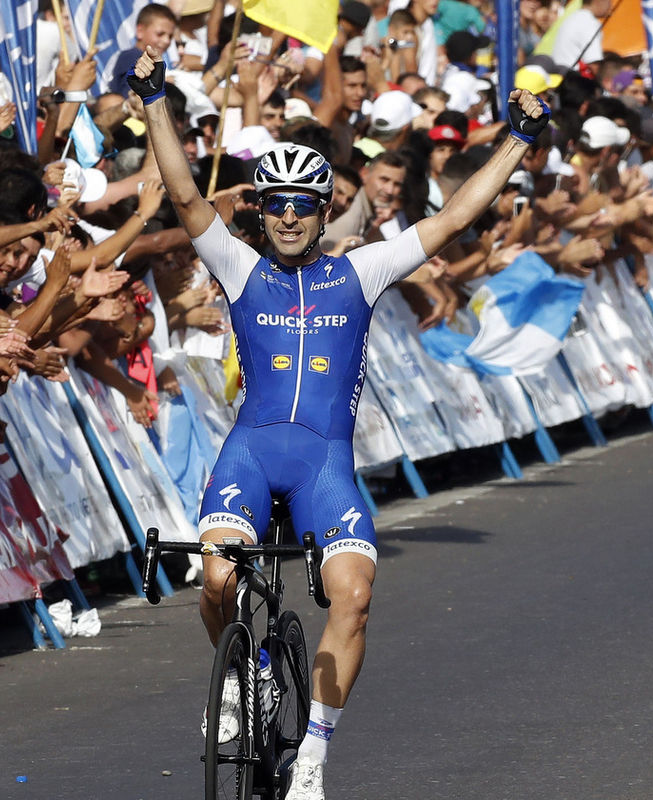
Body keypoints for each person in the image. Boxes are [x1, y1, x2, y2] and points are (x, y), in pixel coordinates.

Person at [127, 44, 551, 800]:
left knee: (353, 597)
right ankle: (247, 679)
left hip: (324, 464)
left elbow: (455, 215)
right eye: (275, 204)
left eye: (303, 204)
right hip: (250, 456)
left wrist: (516, 139)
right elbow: (188, 196)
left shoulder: (360, 270)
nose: (288, 217)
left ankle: (315, 756)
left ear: (324, 211)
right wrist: (156, 99)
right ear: (259, 209)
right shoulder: (236, 264)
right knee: (218, 578)